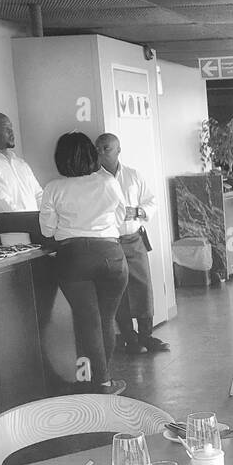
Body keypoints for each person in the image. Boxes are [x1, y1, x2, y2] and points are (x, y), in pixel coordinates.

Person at [39, 133, 129, 396]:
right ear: (92, 155)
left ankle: (97, 383)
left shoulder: (53, 188)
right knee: (105, 319)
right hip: (111, 255)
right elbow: (120, 219)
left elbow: (47, 230)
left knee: (88, 322)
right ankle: (103, 380)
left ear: (60, 158)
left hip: (74, 258)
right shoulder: (108, 182)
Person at [95, 133, 169, 354]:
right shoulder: (93, 179)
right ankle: (129, 338)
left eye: (106, 148)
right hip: (110, 242)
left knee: (143, 286)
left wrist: (137, 211)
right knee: (120, 290)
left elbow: (151, 201)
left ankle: (147, 336)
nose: (101, 152)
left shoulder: (133, 175)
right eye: (98, 148)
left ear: (118, 150)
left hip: (134, 239)